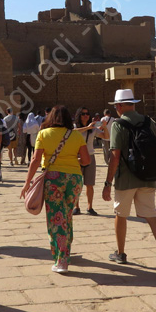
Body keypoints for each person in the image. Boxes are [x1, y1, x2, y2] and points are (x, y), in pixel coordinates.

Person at [102, 89, 156, 275]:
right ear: (133, 104)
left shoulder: (118, 125)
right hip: (148, 177)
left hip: (126, 179)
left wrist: (107, 183)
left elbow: (115, 156)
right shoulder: (148, 121)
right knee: (151, 216)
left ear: (118, 106)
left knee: (121, 214)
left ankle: (120, 252)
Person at [20, 105, 91, 273]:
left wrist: (27, 182)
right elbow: (86, 160)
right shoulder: (75, 135)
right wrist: (73, 160)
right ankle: (66, 250)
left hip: (54, 179)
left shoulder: (44, 134)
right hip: (74, 179)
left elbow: (35, 160)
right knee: (66, 215)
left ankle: (62, 260)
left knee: (56, 218)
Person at [72, 106, 108, 216]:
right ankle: (76, 207)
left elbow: (106, 136)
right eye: (83, 114)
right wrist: (87, 128)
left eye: (87, 113)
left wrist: (104, 127)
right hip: (76, 157)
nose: (86, 115)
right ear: (79, 116)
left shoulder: (93, 128)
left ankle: (90, 206)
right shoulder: (75, 126)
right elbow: (73, 132)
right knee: (76, 183)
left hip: (90, 156)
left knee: (90, 184)